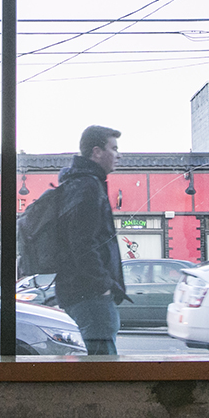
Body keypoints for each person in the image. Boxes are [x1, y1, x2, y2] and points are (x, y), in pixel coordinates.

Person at [54, 125, 128, 355]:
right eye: (114, 148)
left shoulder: (80, 183)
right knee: (104, 369)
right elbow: (83, 243)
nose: (119, 154)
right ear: (97, 152)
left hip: (84, 292)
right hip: (90, 295)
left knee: (99, 362)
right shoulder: (87, 186)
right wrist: (102, 286)